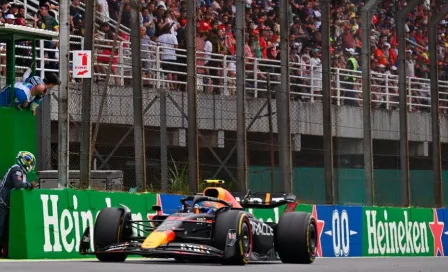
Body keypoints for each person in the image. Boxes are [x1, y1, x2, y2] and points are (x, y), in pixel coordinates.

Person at [0, 151, 37, 258]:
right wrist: (30, 185)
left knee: (5, 228)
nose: (30, 164)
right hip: (2, 201)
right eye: (28, 161)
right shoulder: (16, 169)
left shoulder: (22, 172)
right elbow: (18, 184)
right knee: (1, 227)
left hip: (6, 203)